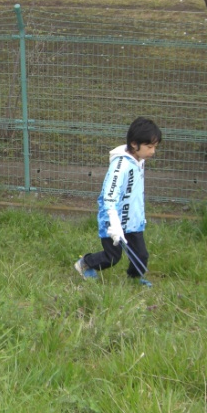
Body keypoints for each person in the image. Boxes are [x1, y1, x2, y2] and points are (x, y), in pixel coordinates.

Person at [74, 116, 162, 286]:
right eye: (149, 147)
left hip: (133, 220)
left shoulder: (139, 160)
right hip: (113, 220)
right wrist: (114, 224)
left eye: (155, 147)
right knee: (112, 257)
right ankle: (86, 263)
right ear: (135, 145)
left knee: (141, 255)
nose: (153, 152)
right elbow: (109, 195)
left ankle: (134, 279)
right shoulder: (120, 166)